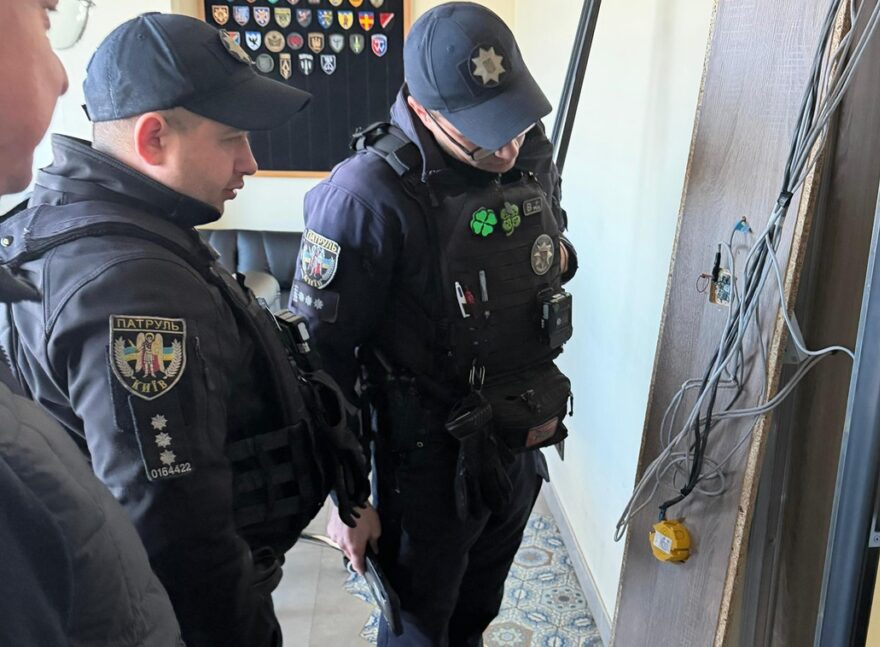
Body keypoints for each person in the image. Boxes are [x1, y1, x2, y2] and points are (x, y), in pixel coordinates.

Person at [0, 13, 367, 647]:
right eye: (232, 138)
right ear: (153, 139)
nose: (250, 162)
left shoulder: (87, 220)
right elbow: (175, 534)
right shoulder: (133, 289)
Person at [290, 3, 578, 644]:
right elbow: (322, 363)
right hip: (419, 465)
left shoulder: (528, 152)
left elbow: (548, 249)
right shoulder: (364, 196)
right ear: (422, 110)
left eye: (512, 121)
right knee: (419, 629)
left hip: (517, 438)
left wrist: (563, 257)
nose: (506, 147)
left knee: (475, 614)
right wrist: (349, 499)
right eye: (482, 131)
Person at [0, 1, 182, 645]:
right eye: (44, 18)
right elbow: (162, 507)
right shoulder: (130, 279)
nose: (60, 78)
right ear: (154, 138)